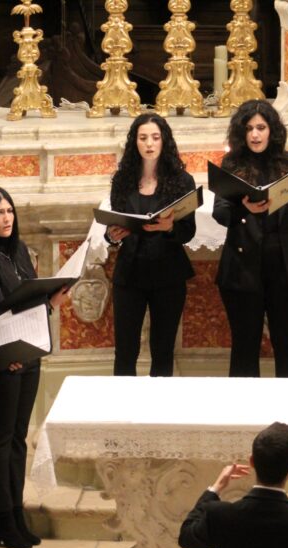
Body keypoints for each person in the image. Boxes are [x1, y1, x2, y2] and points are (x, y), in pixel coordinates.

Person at [0, 186, 67, 548]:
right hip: (3, 354)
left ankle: (16, 509)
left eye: (9, 211)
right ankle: (0, 517)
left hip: (28, 351)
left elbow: (28, 300)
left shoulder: (20, 252)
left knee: (17, 438)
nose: (6, 218)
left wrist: (50, 301)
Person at [213, 99, 288, 377]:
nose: (255, 134)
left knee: (287, 346)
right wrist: (244, 208)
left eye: (261, 127)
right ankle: (245, 414)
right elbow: (220, 213)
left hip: (286, 269)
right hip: (243, 269)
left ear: (272, 131)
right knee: (245, 347)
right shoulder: (232, 164)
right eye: (249, 129)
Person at [104, 113, 196, 377]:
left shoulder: (181, 181)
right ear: (135, 142)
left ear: (164, 141)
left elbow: (188, 231)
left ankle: (159, 412)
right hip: (130, 273)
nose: (149, 143)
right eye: (143, 138)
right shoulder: (122, 180)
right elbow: (113, 229)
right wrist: (113, 235)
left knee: (163, 349)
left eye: (155, 137)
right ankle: (123, 414)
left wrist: (170, 228)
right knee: (125, 349)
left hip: (168, 273)